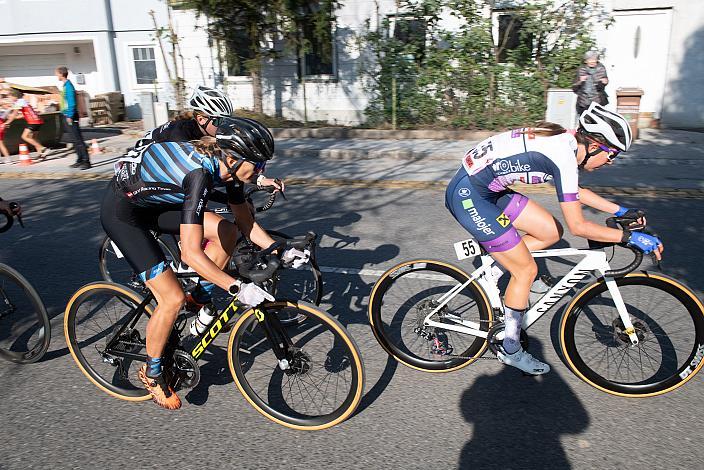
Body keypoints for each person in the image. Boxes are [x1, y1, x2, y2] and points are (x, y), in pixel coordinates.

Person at [101, 118, 307, 409]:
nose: (262, 172)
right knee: (170, 299)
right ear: (233, 158)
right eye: (258, 165)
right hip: (124, 214)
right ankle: (153, 373)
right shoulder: (198, 174)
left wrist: (277, 249)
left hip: (154, 201)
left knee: (228, 231)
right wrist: (237, 288)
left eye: (264, 165)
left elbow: (245, 223)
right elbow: (191, 255)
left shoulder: (231, 170)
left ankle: (198, 296)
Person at [445, 102, 662, 375]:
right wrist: (629, 237)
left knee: (550, 232)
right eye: (612, 155)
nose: (611, 162)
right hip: (470, 195)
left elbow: (574, 190)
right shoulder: (562, 153)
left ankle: (497, 264)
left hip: (489, 189)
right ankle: (510, 349)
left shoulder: (567, 144)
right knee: (526, 270)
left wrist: (621, 210)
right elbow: (580, 227)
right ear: (595, 145)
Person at [55, 66, 90, 169]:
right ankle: (79, 159)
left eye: (57, 74)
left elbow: (72, 103)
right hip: (66, 114)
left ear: (61, 74)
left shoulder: (69, 86)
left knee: (78, 139)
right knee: (74, 139)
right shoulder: (65, 86)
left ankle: (86, 161)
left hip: (70, 115)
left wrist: (69, 115)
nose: (56, 76)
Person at [7, 90, 49, 160]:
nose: (10, 99)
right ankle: (42, 155)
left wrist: (7, 122)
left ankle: (43, 148)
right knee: (34, 138)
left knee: (24, 136)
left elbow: (14, 114)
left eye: (10, 97)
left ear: (15, 96)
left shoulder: (19, 102)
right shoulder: (23, 101)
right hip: (38, 120)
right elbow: (26, 113)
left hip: (33, 121)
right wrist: (16, 117)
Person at [572, 50, 609, 117]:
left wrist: (604, 82)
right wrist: (580, 81)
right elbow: (574, 87)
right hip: (583, 102)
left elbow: (603, 83)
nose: (592, 61)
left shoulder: (601, 68)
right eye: (590, 59)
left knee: (597, 120)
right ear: (586, 61)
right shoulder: (581, 69)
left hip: (597, 101)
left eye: (594, 59)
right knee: (584, 120)